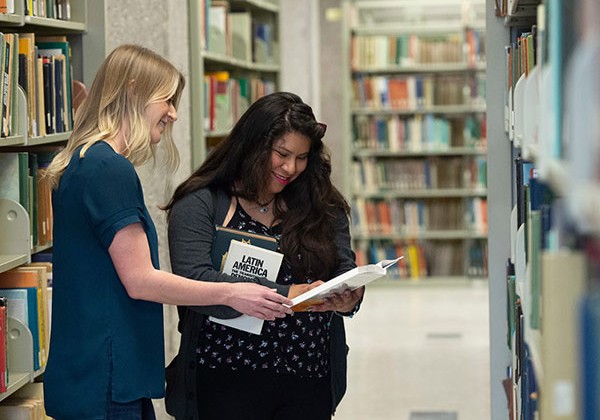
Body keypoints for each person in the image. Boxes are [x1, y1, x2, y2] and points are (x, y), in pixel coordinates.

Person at [41, 45, 293, 420]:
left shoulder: (82, 163)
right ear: (132, 91)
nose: (173, 113)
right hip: (108, 375)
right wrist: (233, 293)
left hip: (89, 370)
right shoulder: (109, 170)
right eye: (167, 99)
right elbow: (140, 280)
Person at [164, 91, 365, 420]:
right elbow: (193, 282)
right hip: (224, 379)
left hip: (308, 379)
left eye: (302, 158)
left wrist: (350, 297)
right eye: (282, 154)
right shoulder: (203, 203)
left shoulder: (321, 204)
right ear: (253, 145)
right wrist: (287, 295)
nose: (291, 168)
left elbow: (344, 266)